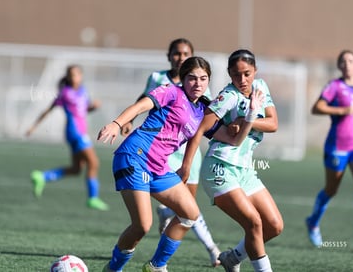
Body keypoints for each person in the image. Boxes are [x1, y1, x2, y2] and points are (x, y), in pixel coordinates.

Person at [97, 56, 214, 272]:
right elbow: (140, 106)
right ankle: (113, 269)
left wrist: (248, 120)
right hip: (135, 157)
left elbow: (222, 133)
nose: (197, 83)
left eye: (203, 79)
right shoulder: (171, 91)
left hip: (159, 167)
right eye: (192, 78)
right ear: (183, 79)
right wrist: (116, 123)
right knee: (142, 225)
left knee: (190, 214)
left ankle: (156, 266)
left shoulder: (203, 110)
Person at [178, 49, 283, 272]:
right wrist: (186, 166)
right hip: (220, 167)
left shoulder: (260, 87)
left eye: (247, 73)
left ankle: (232, 259)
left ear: (255, 71)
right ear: (229, 74)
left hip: (244, 170)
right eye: (236, 75)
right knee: (254, 223)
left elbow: (273, 123)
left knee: (273, 226)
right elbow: (199, 131)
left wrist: (247, 119)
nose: (242, 80)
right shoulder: (228, 96)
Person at [121, 38, 220, 267]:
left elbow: (211, 121)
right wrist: (125, 121)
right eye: (176, 53)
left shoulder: (202, 88)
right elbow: (143, 101)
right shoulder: (160, 81)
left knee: (188, 208)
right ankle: (209, 249)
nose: (180, 57)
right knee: (149, 221)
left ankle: (177, 252)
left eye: (185, 53)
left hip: (187, 151)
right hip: (152, 151)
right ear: (169, 56)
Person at [306, 49, 353, 251]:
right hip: (337, 145)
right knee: (331, 190)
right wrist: (340, 110)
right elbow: (317, 107)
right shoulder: (334, 87)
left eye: (350, 61)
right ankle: (312, 222)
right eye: (343, 61)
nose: (347, 64)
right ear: (339, 66)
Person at [26, 65, 109, 211]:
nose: (73, 78)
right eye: (71, 75)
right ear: (68, 77)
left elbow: (83, 110)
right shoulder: (65, 93)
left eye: (76, 75)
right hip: (75, 132)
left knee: (77, 169)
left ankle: (42, 177)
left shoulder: (83, 91)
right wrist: (34, 126)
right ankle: (93, 198)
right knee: (94, 163)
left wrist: (93, 107)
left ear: (81, 76)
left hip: (79, 132)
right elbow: (48, 110)